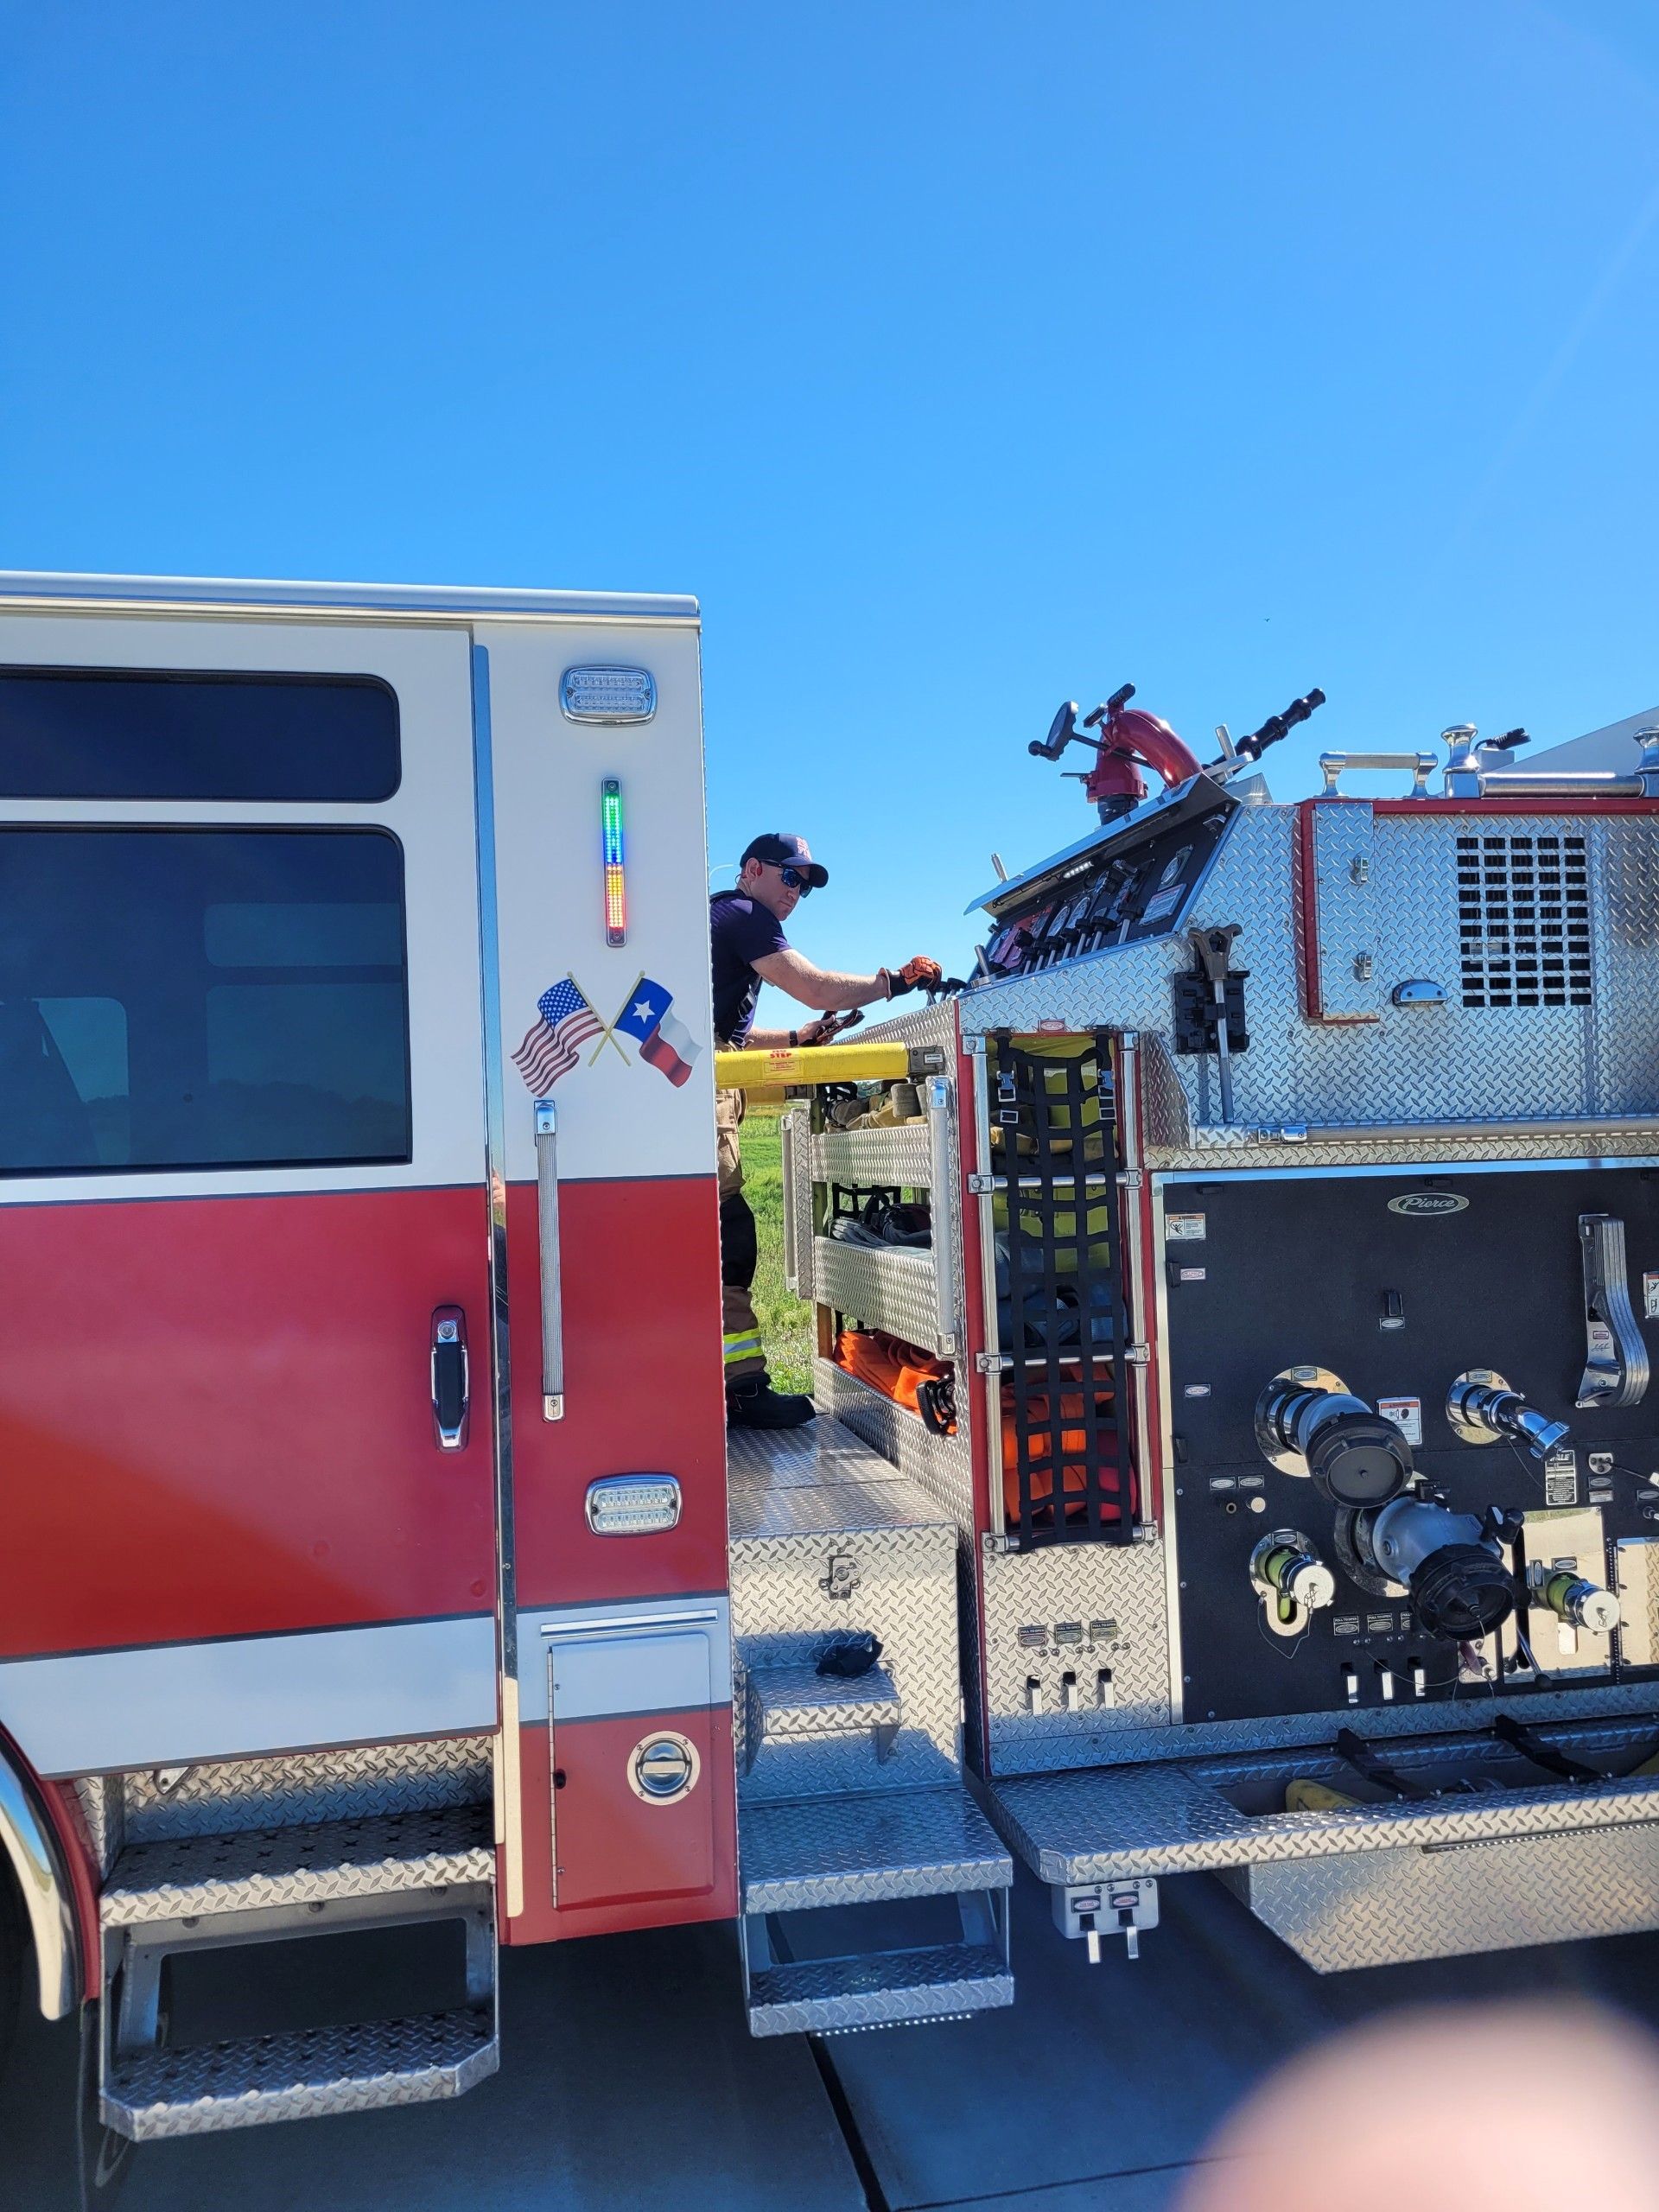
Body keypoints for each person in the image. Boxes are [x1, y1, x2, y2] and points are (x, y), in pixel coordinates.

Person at [713, 832, 941, 1428]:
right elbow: (811, 986)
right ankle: (740, 1389)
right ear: (754, 870)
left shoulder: (722, 920)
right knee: (725, 1239)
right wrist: (892, 983)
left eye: (805, 888)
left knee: (718, 1240)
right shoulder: (743, 915)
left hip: (696, 1077)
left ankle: (724, 1383)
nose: (795, 894)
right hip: (697, 1095)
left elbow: (731, 1040)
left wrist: (797, 1040)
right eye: (791, 878)